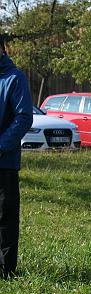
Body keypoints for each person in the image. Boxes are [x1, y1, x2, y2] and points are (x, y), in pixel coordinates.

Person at [0, 37, 33, 279]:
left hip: (4, 163)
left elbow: (23, 118)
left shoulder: (15, 78)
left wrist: (1, 146)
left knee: (5, 218)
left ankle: (5, 270)